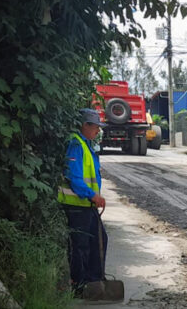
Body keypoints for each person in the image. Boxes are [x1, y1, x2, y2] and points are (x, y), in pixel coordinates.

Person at [58, 108, 108, 295]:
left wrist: (93, 198)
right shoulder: (76, 145)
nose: (98, 131)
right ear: (85, 125)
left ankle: (93, 281)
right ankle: (79, 285)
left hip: (87, 205)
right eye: (96, 127)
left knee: (99, 239)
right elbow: (74, 177)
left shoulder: (87, 144)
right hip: (77, 206)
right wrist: (92, 195)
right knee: (80, 246)